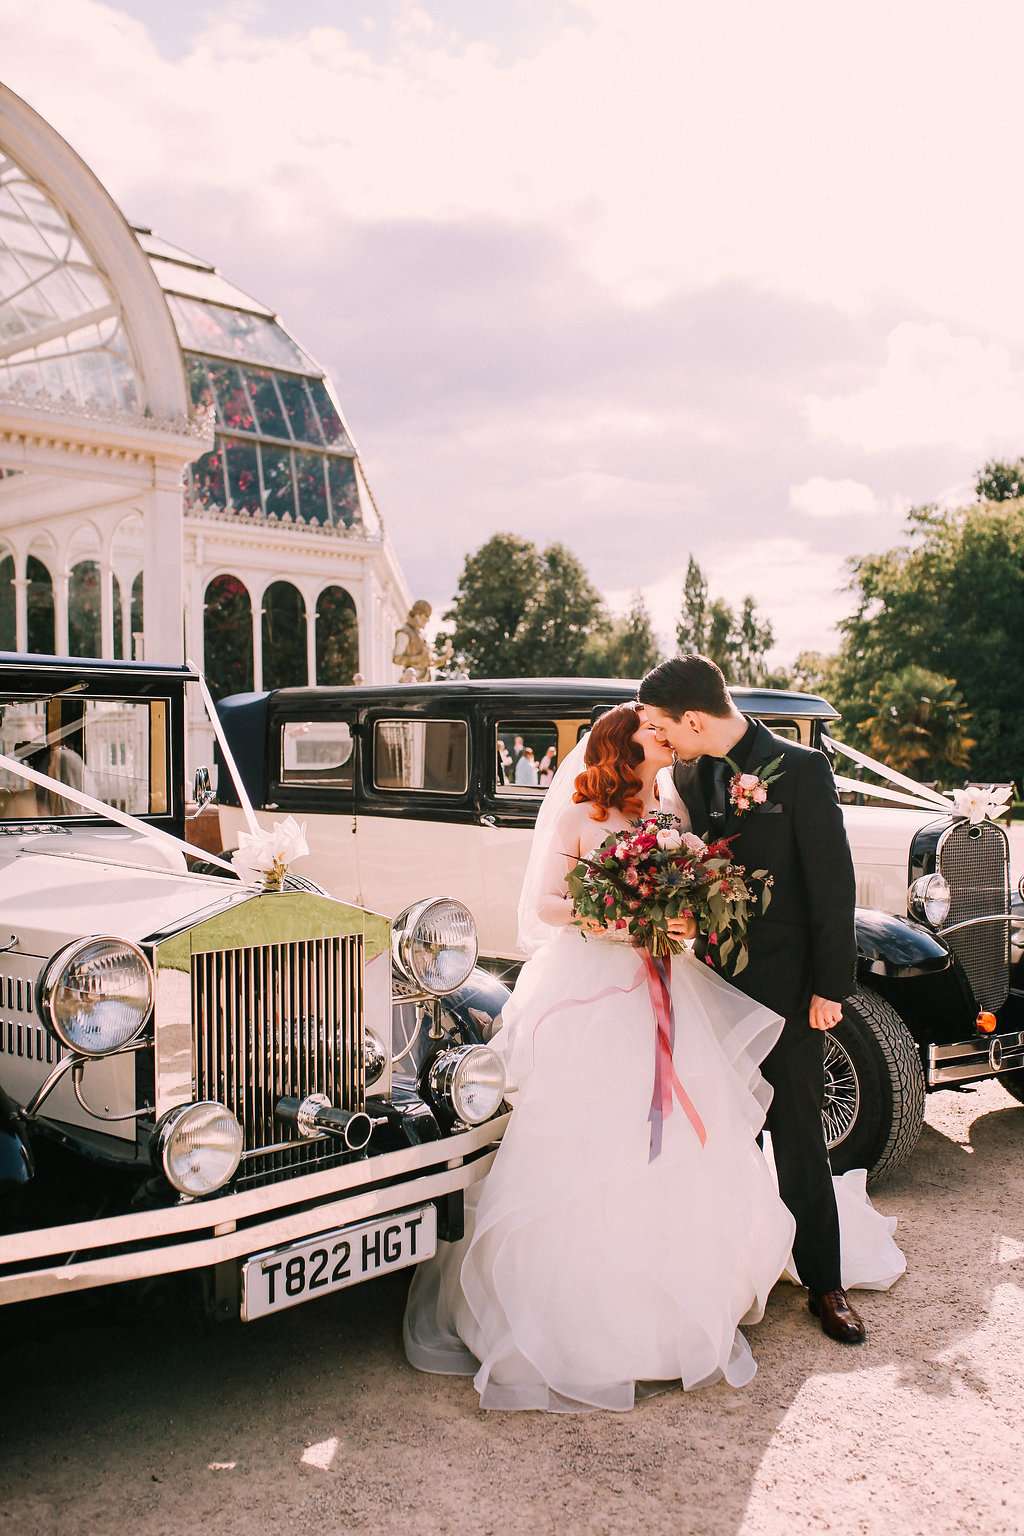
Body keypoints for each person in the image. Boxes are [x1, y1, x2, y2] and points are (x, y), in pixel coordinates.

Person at [404, 704, 904, 1411]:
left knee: (695, 1130)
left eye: (667, 726)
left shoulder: (675, 803)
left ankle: (719, 1277)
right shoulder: (580, 811)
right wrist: (615, 920)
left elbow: (706, 883)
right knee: (597, 1128)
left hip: (670, 979)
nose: (664, 738)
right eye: (651, 730)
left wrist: (679, 916)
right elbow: (547, 904)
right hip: (595, 984)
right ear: (622, 743)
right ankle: (593, 1301)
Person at [637, 653, 868, 1344]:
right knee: (719, 1133)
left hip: (789, 993)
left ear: (694, 719)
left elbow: (834, 885)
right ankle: (735, 1274)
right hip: (710, 987)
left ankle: (825, 1283)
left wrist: (831, 987)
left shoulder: (801, 770)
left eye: (663, 726)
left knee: (799, 1136)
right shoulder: (685, 777)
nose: (660, 738)